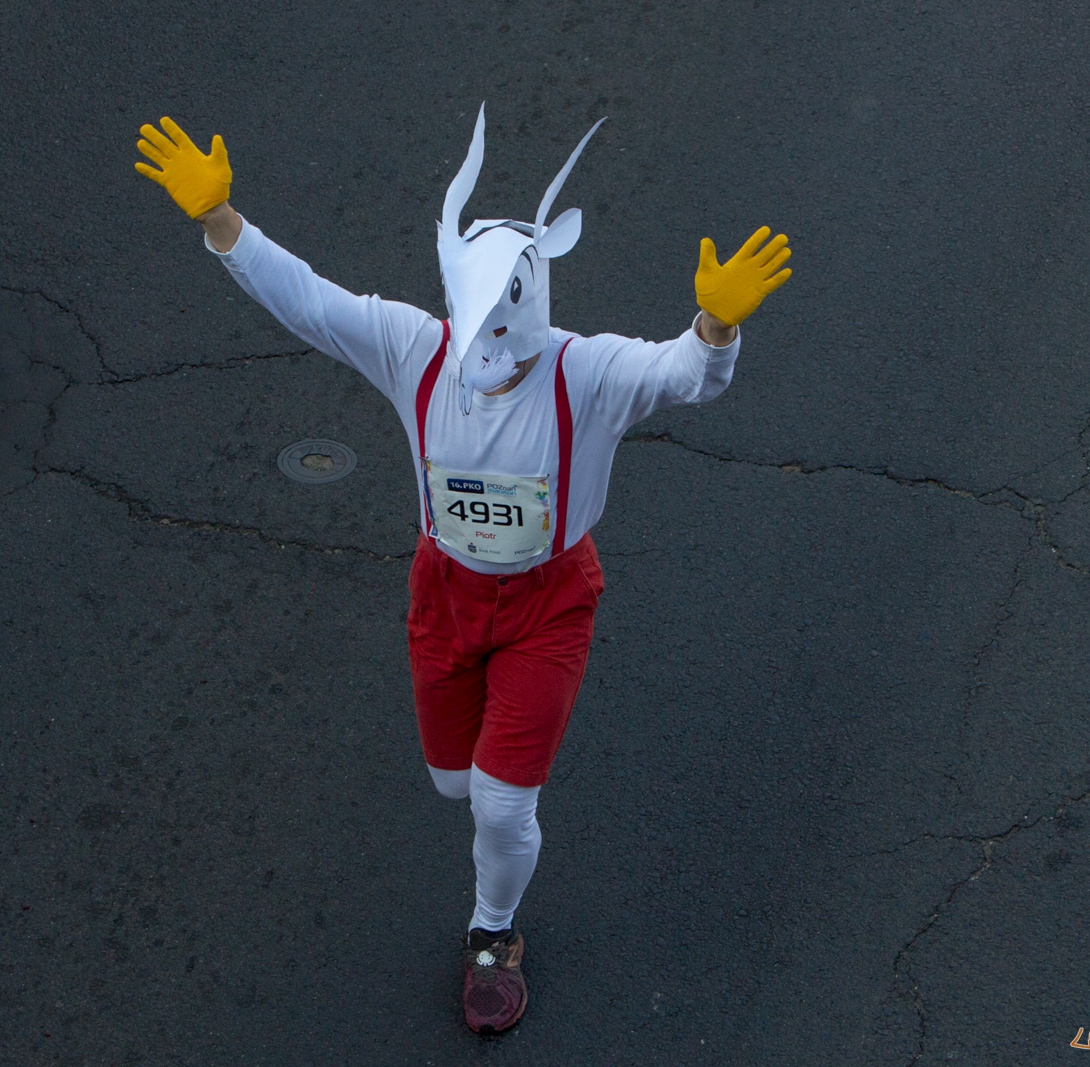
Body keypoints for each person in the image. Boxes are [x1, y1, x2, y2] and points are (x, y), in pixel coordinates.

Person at [135, 108, 791, 1034]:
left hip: (547, 604)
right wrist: (222, 223)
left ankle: (493, 932)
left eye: (503, 329)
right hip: (443, 595)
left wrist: (714, 326)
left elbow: (683, 375)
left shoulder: (585, 373)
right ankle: (491, 833)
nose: (486, 361)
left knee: (497, 799)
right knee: (453, 781)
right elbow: (311, 302)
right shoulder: (415, 349)